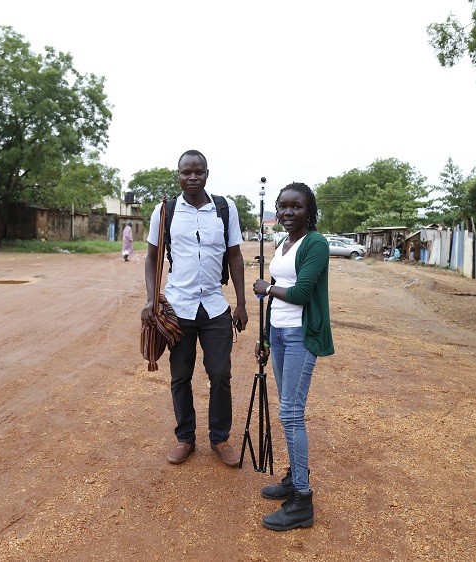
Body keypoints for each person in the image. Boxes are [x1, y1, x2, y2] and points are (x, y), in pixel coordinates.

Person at [141, 150, 248, 467]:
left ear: (206, 173)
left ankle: (220, 439)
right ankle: (185, 438)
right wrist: (151, 297)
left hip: (215, 307)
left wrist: (241, 303)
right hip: (178, 308)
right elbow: (151, 257)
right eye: (186, 172)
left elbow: (236, 256)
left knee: (221, 373)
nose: (192, 177)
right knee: (180, 375)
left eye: (197, 172)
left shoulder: (224, 209)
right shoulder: (166, 212)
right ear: (179, 174)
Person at [253, 182, 334, 531]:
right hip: (280, 335)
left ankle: (302, 498)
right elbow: (275, 303)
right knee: (289, 412)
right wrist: (264, 338)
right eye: (283, 207)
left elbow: (300, 293)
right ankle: (293, 478)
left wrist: (267, 287)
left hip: (302, 336)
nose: (288, 213)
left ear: (309, 210)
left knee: (290, 412)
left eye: (296, 207)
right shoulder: (283, 243)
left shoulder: (316, 243)